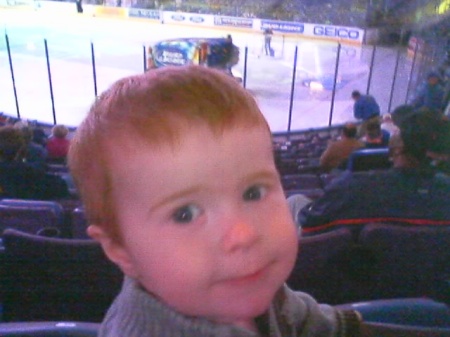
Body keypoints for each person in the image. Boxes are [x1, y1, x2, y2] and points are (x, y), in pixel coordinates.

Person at [68, 65, 425, 337]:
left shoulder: (249, 283)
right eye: (185, 213)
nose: (243, 233)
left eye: (253, 193)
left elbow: (321, 325)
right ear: (121, 252)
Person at [298, 111, 450, 235]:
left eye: (397, 129)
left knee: (295, 201)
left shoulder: (358, 186)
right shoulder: (443, 190)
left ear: (400, 146)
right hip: (422, 270)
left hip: (352, 267)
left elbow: (310, 223)